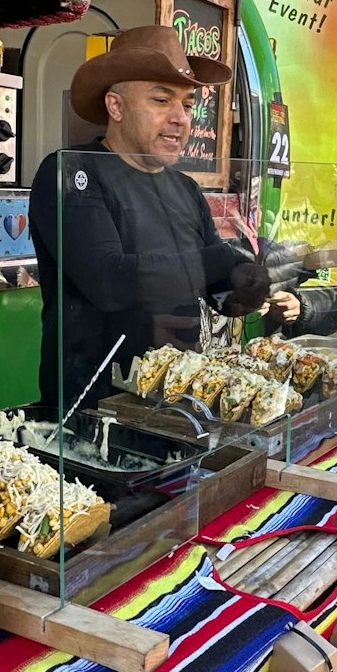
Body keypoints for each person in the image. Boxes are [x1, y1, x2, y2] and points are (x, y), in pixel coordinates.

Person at [29, 26, 271, 412]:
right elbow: (109, 281)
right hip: (92, 403)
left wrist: (247, 284)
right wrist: (219, 259)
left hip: (176, 398)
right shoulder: (73, 171)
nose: (180, 119)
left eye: (188, 105)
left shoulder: (185, 189)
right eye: (161, 100)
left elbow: (215, 290)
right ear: (116, 107)